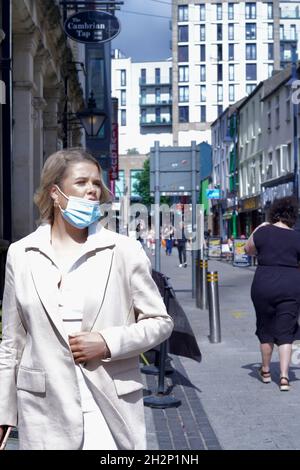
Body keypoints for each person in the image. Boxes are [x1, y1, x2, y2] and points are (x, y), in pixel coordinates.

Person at [0, 148, 173, 450]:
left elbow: (160, 322)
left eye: (96, 182)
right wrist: (4, 410)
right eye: (81, 182)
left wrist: (108, 342)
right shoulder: (22, 253)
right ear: (55, 192)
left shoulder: (122, 249)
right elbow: (12, 341)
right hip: (44, 409)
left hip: (107, 403)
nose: (93, 190)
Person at [244, 196, 300, 392]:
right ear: (293, 216)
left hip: (263, 283)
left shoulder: (264, 231)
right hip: (291, 284)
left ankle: (266, 371)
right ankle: (284, 378)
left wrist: (260, 227)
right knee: (286, 331)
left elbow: (248, 249)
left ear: (273, 213)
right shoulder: (297, 236)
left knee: (265, 327)